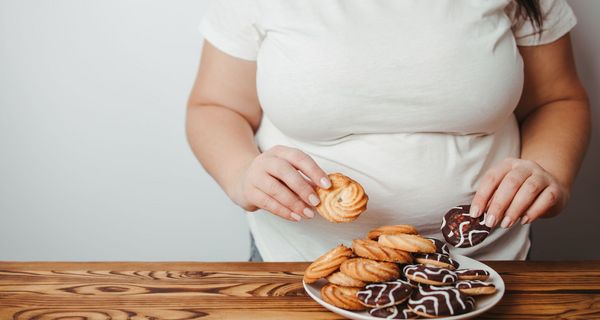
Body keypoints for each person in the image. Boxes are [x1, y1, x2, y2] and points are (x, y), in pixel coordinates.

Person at [186, 0, 590, 261]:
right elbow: (216, 106)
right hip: (298, 262)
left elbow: (557, 100)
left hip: (488, 265)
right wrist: (240, 172)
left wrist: (548, 171)